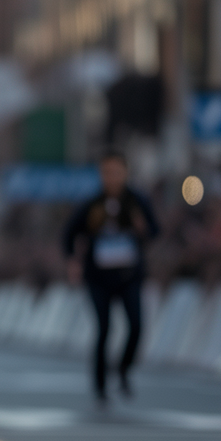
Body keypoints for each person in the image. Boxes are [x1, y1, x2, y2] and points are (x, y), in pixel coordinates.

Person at [62, 151, 159, 407]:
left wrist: (142, 230)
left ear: (125, 173)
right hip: (98, 278)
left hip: (129, 275)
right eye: (106, 173)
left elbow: (155, 230)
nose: (111, 178)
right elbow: (69, 234)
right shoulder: (91, 204)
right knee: (104, 328)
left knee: (136, 325)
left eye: (116, 172)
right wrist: (73, 260)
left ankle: (124, 368)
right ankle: (100, 385)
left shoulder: (137, 201)